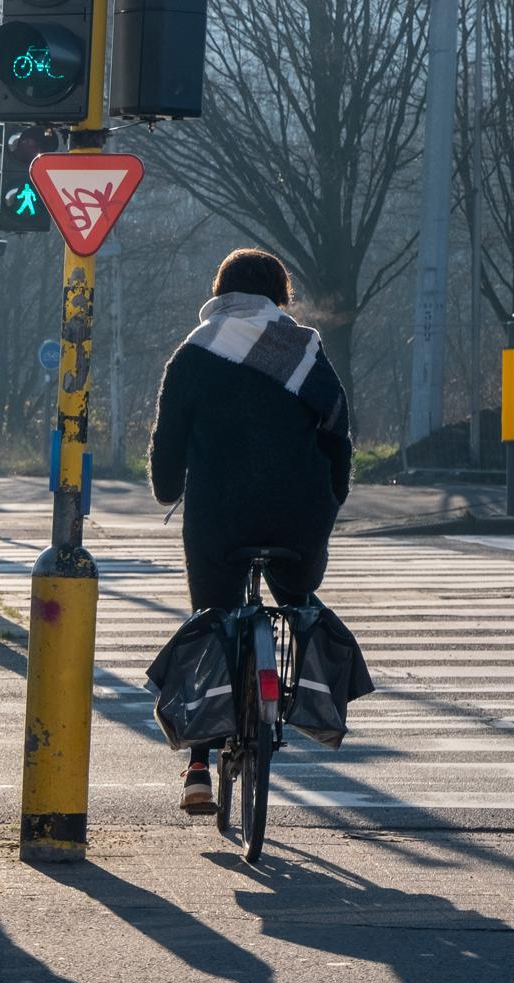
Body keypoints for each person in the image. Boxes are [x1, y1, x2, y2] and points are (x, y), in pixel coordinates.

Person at [148, 248, 353, 815]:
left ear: (220, 291)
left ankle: (197, 766)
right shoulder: (305, 349)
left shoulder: (193, 353)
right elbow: (337, 433)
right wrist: (330, 498)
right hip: (298, 517)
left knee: (211, 621)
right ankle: (312, 693)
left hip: (219, 516)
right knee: (299, 600)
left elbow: (167, 452)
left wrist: (170, 489)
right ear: (278, 296)